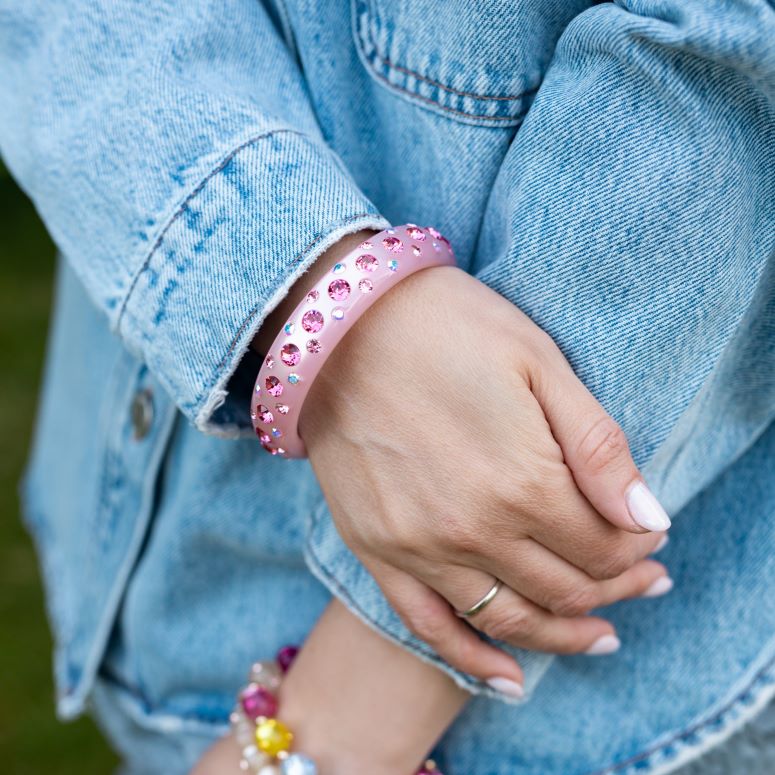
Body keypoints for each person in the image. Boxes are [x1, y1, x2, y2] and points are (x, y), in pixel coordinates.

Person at [0, 1, 772, 773]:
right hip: (155, 544)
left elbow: (721, 57)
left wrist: (333, 719)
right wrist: (310, 301)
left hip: (509, 720)